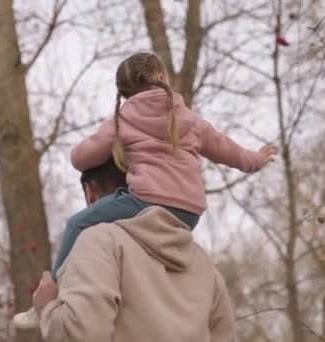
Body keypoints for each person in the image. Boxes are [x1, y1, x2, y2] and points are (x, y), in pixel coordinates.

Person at [14, 51, 275, 327]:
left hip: (145, 203)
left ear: (124, 92)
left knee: (77, 224)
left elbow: (80, 158)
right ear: (161, 77)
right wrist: (255, 160)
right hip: (189, 213)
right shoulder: (190, 120)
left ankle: (51, 294)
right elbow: (227, 149)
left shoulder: (124, 119)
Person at [32, 159, 236, 341]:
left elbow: (82, 334)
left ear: (90, 192)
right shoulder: (202, 263)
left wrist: (47, 308)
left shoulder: (98, 241)